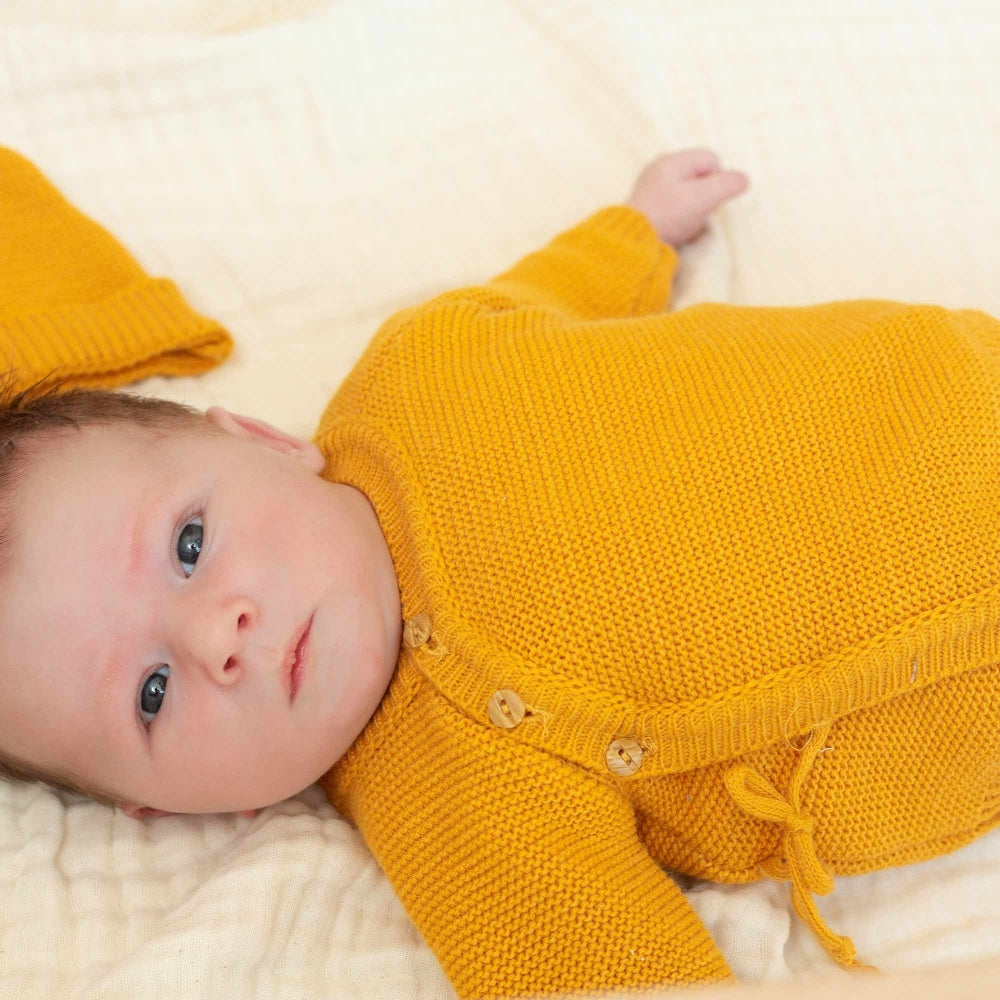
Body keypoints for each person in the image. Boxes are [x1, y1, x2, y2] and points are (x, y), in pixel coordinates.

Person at [2, 145, 1000, 999]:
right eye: (152, 692)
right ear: (170, 806)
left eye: (188, 544)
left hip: (942, 384)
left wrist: (636, 227)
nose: (215, 634)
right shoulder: (442, 810)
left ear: (263, 439)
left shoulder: (417, 363)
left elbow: (542, 292)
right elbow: (615, 970)